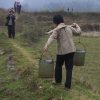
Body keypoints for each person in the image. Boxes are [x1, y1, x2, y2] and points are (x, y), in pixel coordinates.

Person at [43, 15, 81, 90]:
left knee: (58, 65)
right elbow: (78, 32)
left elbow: (51, 37)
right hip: (72, 51)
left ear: (55, 22)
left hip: (62, 52)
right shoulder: (69, 27)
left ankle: (58, 81)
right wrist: (77, 25)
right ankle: (67, 86)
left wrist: (46, 45)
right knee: (69, 68)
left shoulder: (57, 30)